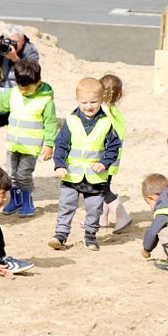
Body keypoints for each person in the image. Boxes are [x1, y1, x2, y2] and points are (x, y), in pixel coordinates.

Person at [48, 77, 121, 251]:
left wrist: (104, 163)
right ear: (77, 101)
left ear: (102, 100)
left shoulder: (107, 123)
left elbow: (114, 147)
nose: (89, 106)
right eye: (84, 102)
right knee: (66, 205)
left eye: (94, 102)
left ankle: (90, 236)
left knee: (94, 209)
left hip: (95, 177)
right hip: (71, 175)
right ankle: (61, 235)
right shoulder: (71, 121)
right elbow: (61, 145)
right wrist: (59, 165)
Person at [0, 59, 56, 217]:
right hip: (13, 144)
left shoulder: (45, 99)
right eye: (21, 86)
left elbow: (51, 123)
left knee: (23, 175)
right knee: (11, 175)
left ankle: (27, 201)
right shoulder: (14, 93)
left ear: (38, 81)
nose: (24, 90)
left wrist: (49, 144)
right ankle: (15, 199)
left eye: (27, 88)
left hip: (30, 148)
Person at [0, 24, 41, 127]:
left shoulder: (30, 51)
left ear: (23, 41)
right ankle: (3, 113)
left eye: (15, 42)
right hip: (0, 87)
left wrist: (15, 59)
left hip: (21, 89)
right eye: (8, 41)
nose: (11, 46)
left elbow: (32, 74)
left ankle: (6, 113)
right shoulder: (0, 47)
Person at [98, 74, 133, 233]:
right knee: (105, 187)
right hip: (112, 159)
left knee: (102, 190)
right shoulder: (115, 112)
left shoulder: (101, 112)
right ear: (120, 95)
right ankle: (102, 218)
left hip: (101, 160)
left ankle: (122, 215)